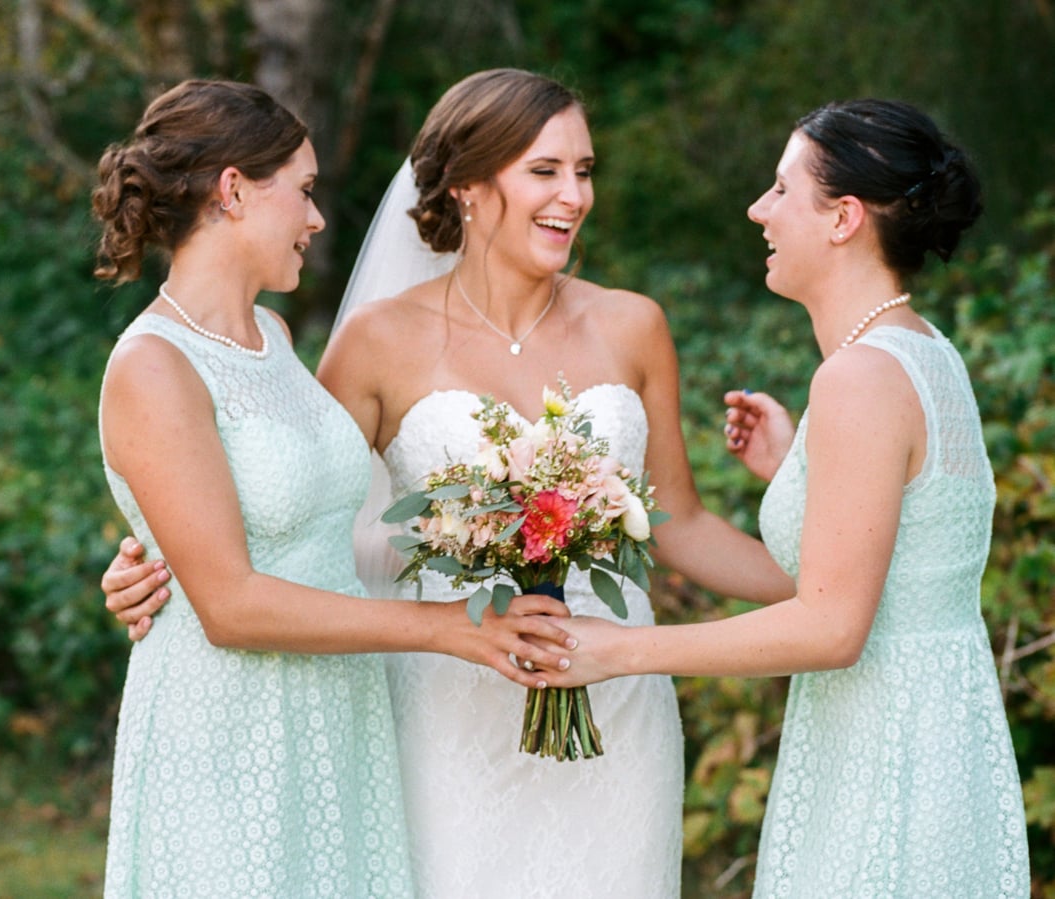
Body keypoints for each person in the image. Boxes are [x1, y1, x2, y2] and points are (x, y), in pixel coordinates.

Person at [102, 69, 796, 898]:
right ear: (467, 186)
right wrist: (150, 564)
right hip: (440, 708)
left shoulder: (630, 324)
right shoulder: (368, 342)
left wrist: (822, 580)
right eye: (545, 170)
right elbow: (267, 516)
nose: (573, 195)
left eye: (585, 170)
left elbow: (677, 520)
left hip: (611, 704)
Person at [89, 78, 578, 899]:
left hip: (336, 711)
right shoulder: (153, 364)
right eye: (305, 191)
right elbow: (232, 604)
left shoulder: (271, 336)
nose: (317, 219)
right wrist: (445, 626)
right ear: (234, 190)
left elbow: (288, 510)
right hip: (229, 730)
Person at [531, 99, 1031, 896]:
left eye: (778, 189)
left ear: (841, 218)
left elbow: (832, 627)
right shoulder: (922, 352)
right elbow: (900, 556)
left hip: (883, 753)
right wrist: (797, 469)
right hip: (935, 737)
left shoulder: (860, 377)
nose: (756, 210)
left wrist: (613, 649)